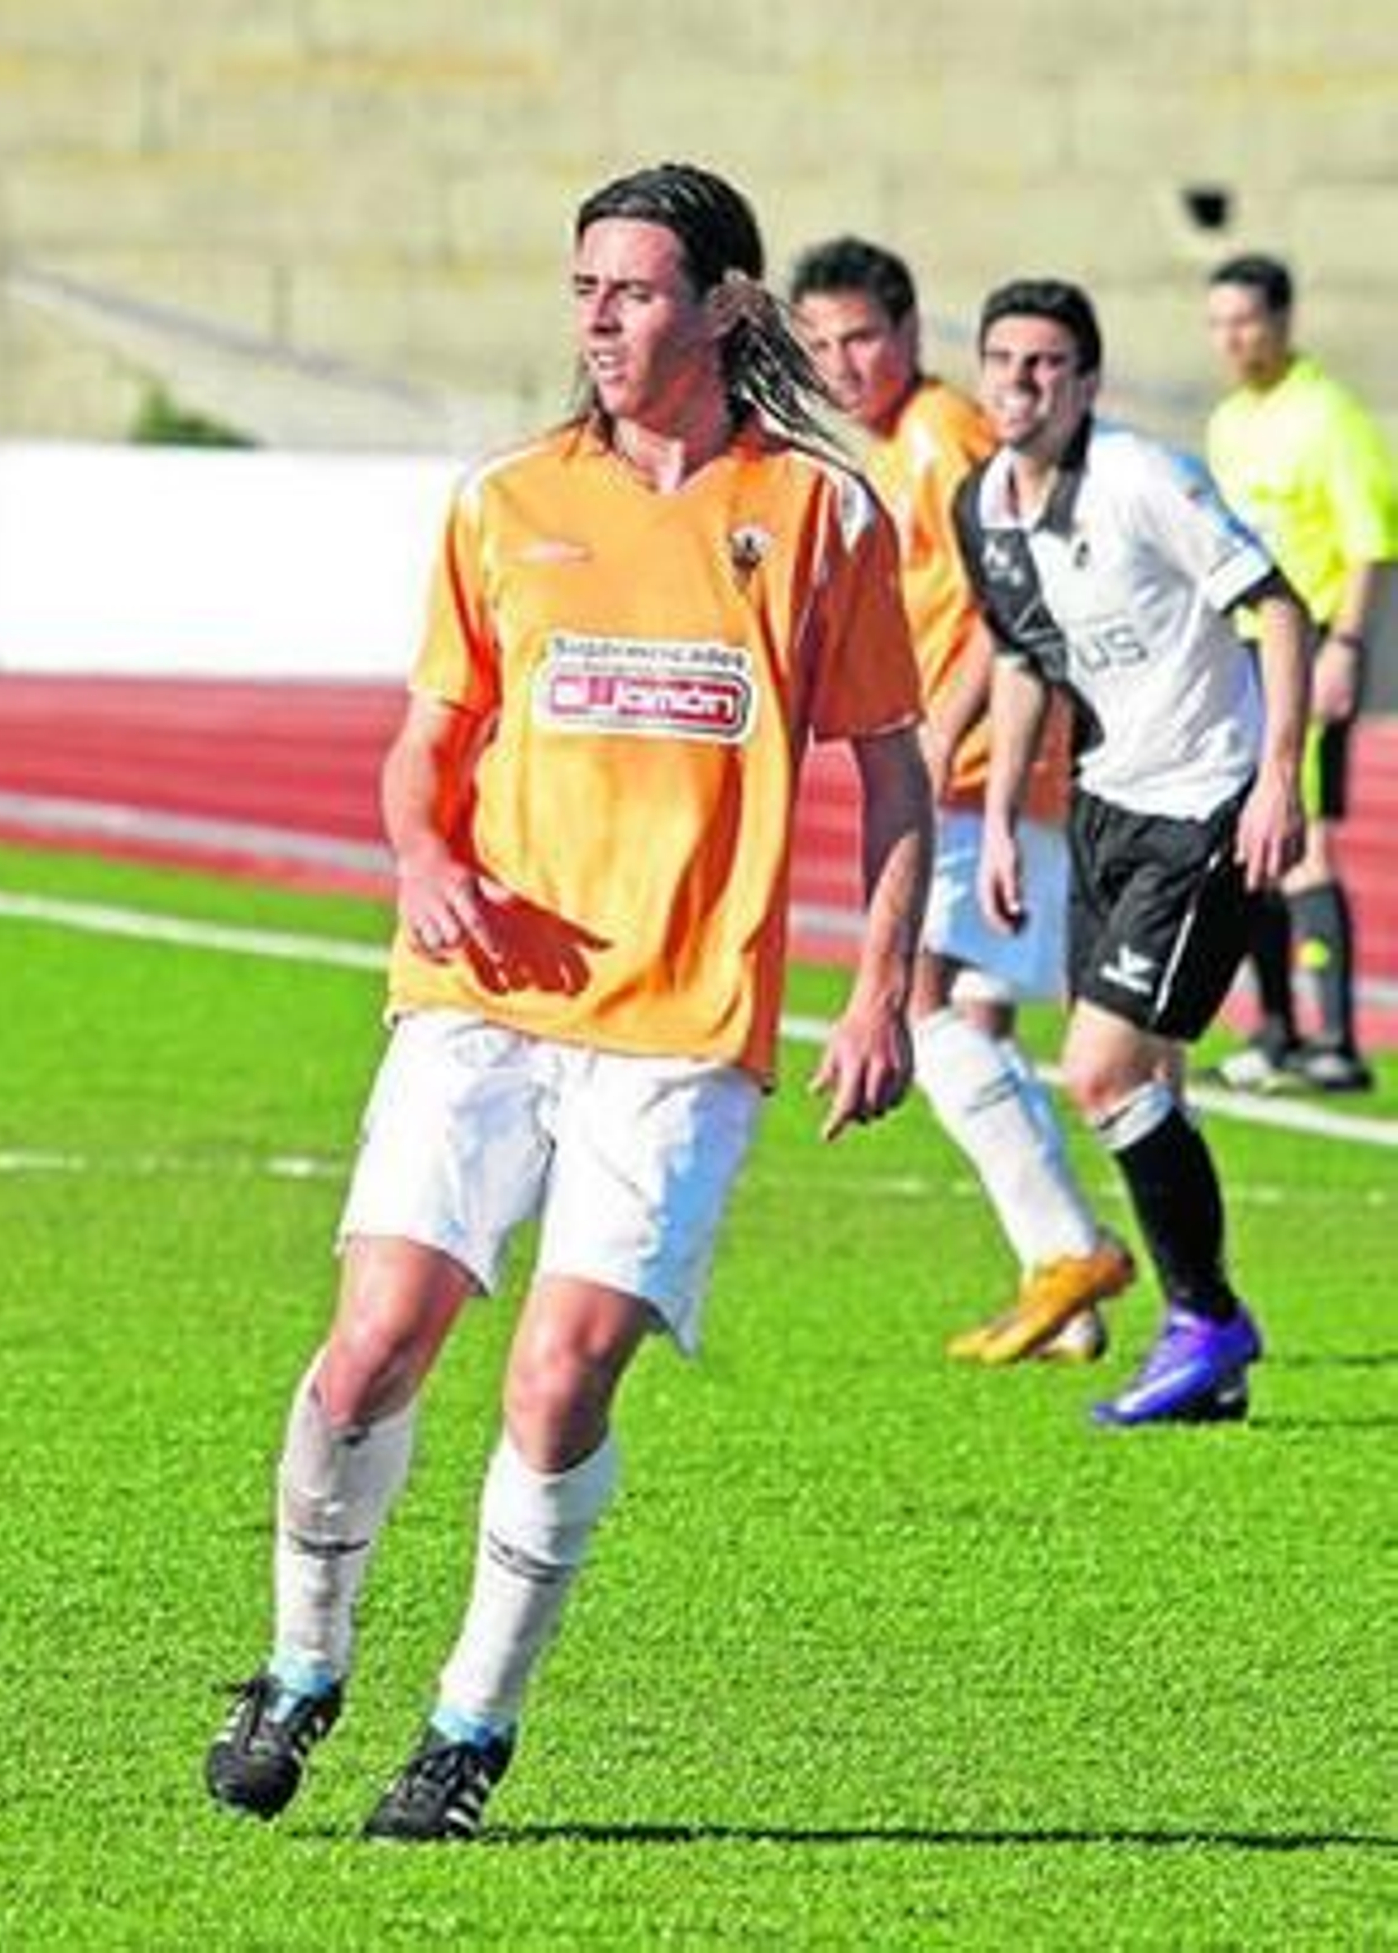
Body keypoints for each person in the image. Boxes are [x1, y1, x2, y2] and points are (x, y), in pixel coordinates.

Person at [204, 162, 933, 1842]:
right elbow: (424, 742)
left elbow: (899, 778)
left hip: (679, 1027)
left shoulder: (818, 519)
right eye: (584, 288)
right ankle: (301, 1667)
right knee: (379, 1338)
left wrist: (877, 986)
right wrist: (422, 862)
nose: (599, 320)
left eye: (634, 289)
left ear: (725, 308)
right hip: (480, 997)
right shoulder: (504, 500)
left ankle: (467, 1726)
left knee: (557, 1377)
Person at [957, 277, 1312, 1427]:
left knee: (1100, 1069)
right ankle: (1206, 1359)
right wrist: (1004, 816)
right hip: (1101, 811)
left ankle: (1207, 1316)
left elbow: (1281, 607)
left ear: (1088, 382)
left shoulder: (1144, 480)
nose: (1023, 381)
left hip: (1201, 805)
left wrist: (1274, 782)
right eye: (1004, 360)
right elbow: (1022, 662)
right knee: (1149, 1076)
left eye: (1048, 363)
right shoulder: (987, 508)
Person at [789, 236, 1132, 1366]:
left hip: (981, 762)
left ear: (911, 335)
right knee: (973, 1013)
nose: (843, 363)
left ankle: (1065, 1245)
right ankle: (1064, 1293)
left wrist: (937, 734)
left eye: (863, 337)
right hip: (989, 763)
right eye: (821, 343)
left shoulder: (942, 439)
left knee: (925, 1004)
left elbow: (1011, 596)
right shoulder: (899, 445)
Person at [1205, 253, 1398, 1093]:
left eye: (1245, 321)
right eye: (1219, 323)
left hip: (1311, 643)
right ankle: (1277, 1031)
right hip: (1242, 650)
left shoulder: (1328, 417)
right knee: (1251, 841)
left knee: (1308, 841)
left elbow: (1369, 541)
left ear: (1283, 320)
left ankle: (1338, 1041)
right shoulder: (1228, 420)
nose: (1231, 339)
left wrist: (1348, 646)